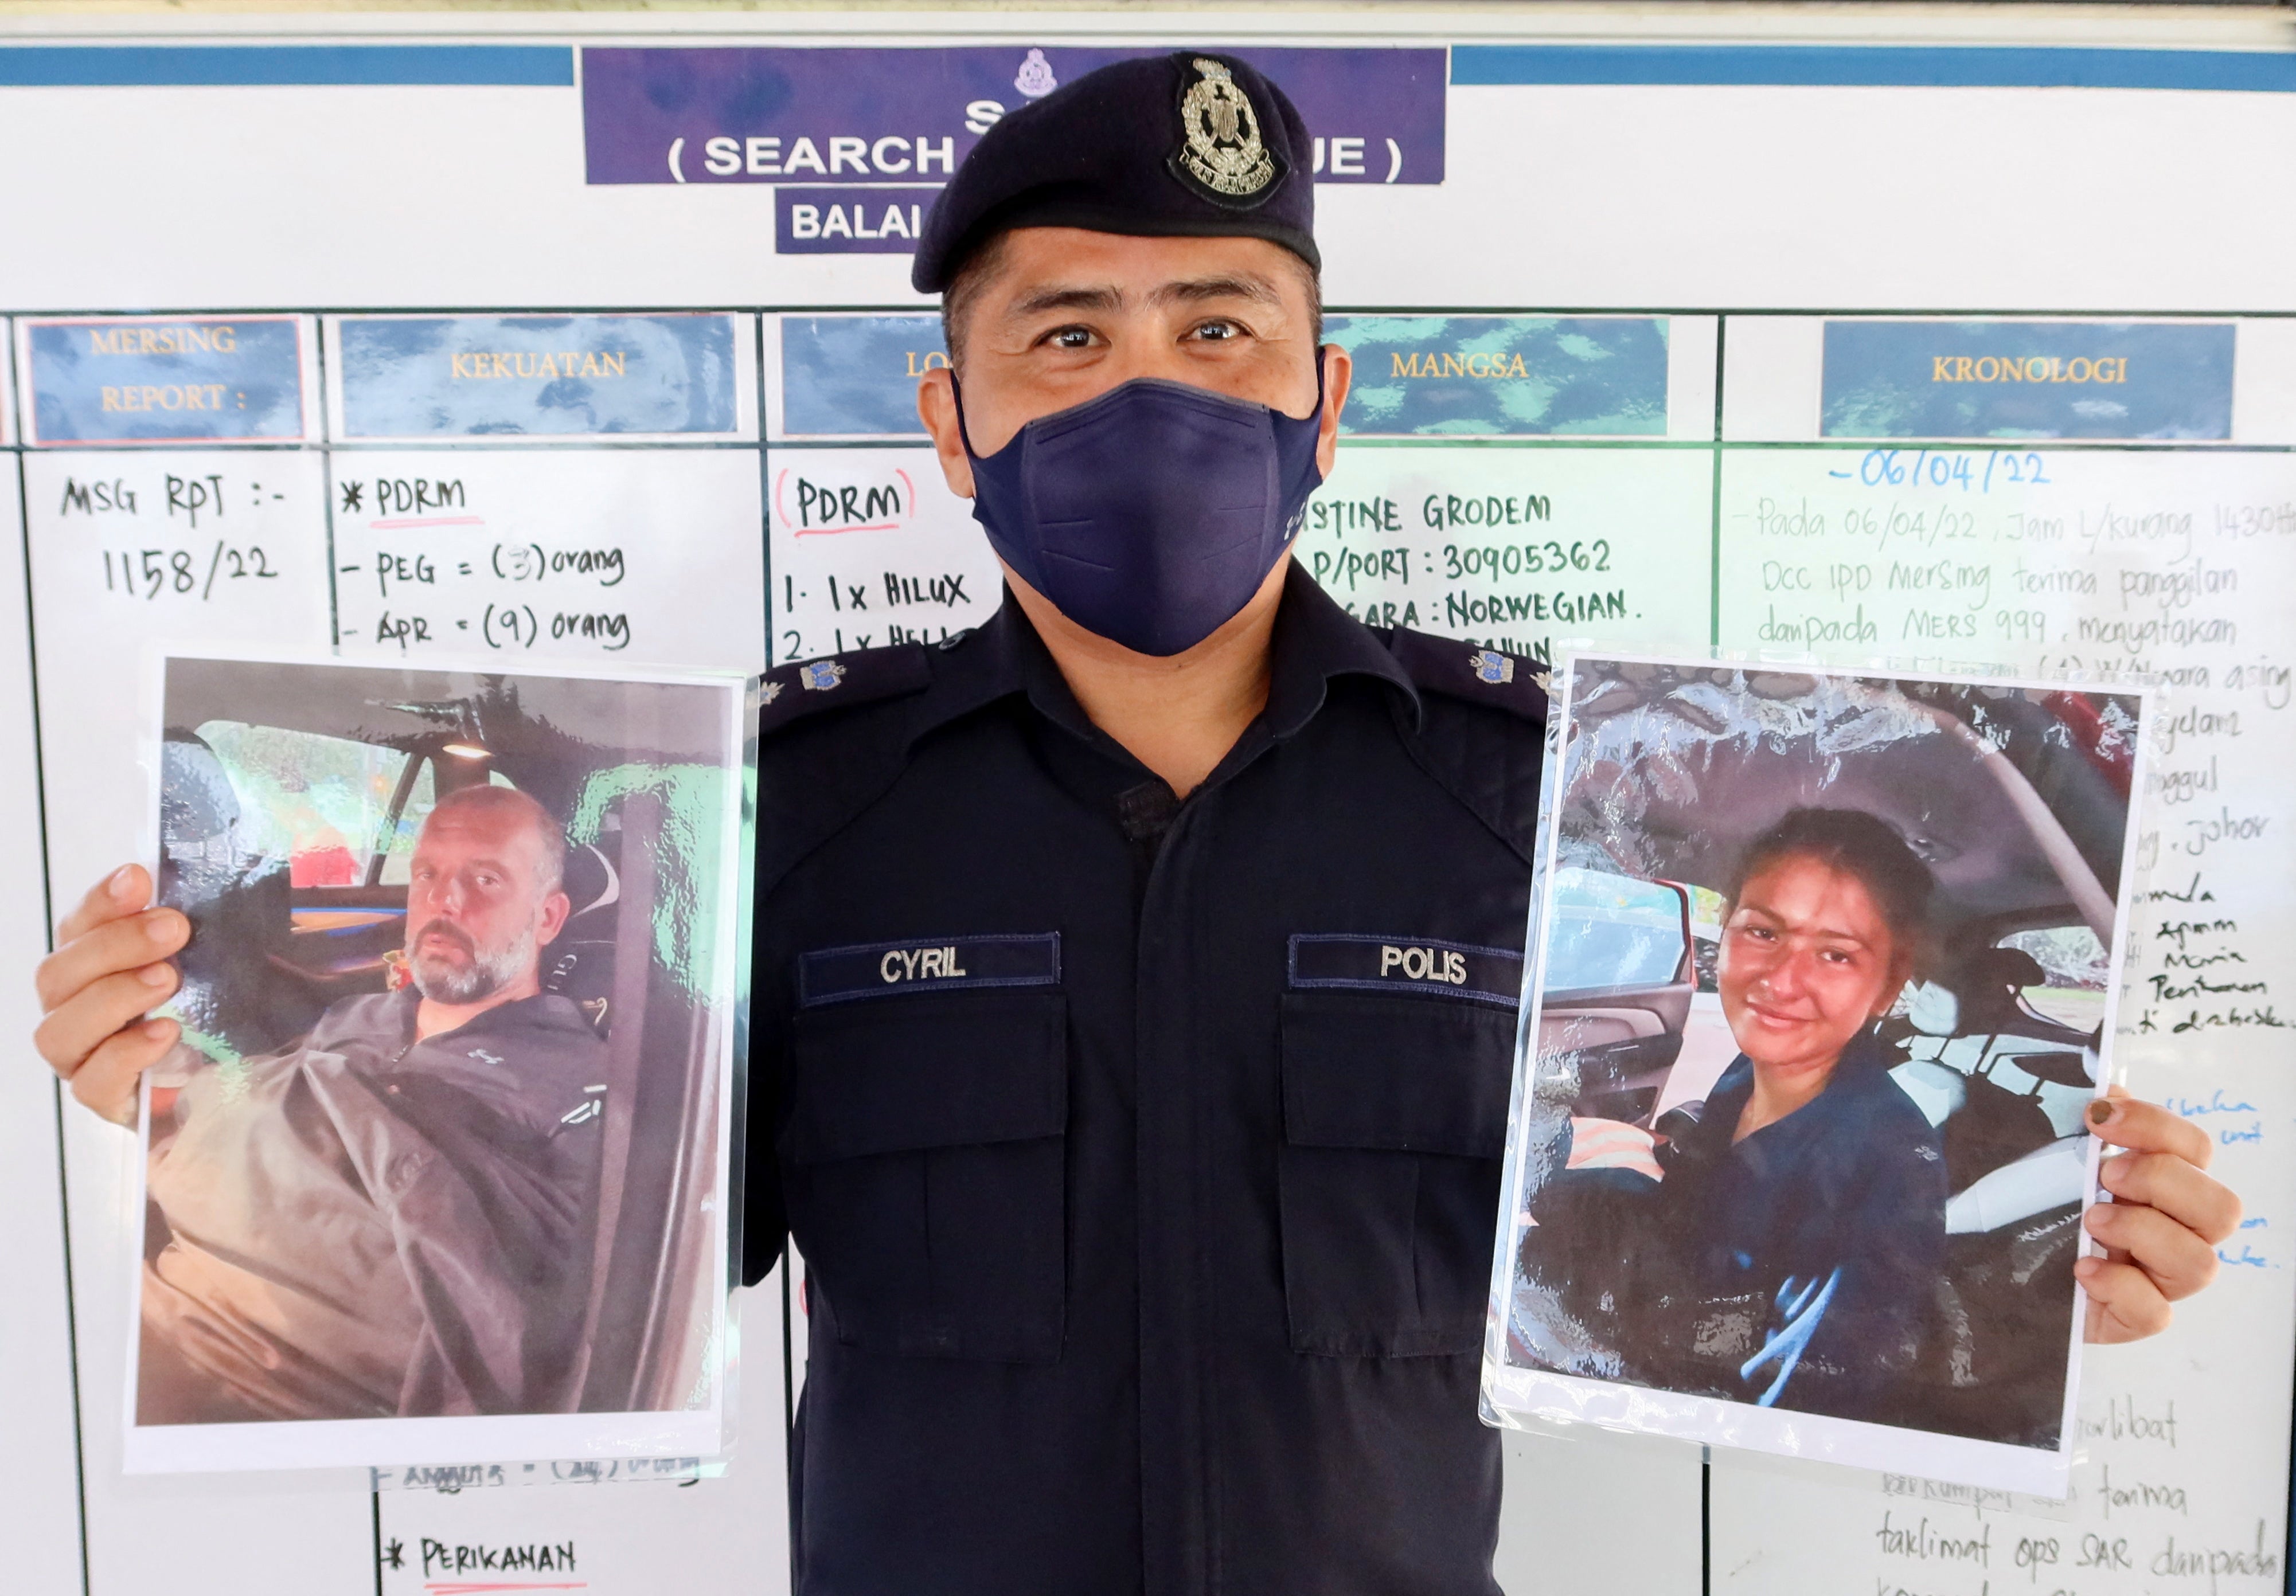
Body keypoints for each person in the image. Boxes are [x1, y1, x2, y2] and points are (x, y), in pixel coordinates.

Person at [37, 53, 2240, 1596]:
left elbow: (1666, 1259)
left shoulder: (1514, 810)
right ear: (954, 421)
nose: (1152, 387)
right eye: (1066, 334)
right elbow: (572, 1247)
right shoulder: (794, 818)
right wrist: (206, 1087)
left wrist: (2019, 1280)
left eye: (1222, 324)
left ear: (1326, 395)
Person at [120, 783, 605, 1423]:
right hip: (156, 1292)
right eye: (427, 874)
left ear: (546, 917)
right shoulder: (361, 1015)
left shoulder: (577, 1080)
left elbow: (510, 1300)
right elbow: (241, 1097)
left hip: (275, 1393)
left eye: (485, 880)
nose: (444, 901)